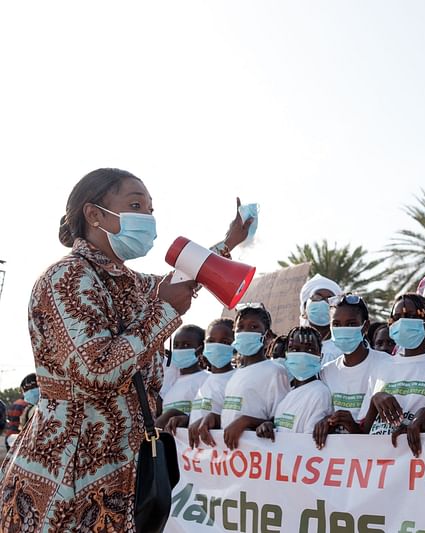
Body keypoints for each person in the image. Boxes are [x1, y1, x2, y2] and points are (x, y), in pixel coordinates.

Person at [0, 168, 250, 532]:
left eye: (150, 210)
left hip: (116, 475)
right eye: (135, 205)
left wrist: (228, 243)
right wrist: (165, 311)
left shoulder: (127, 282)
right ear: (94, 214)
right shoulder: (67, 278)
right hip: (68, 476)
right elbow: (98, 370)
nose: (148, 219)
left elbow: (185, 278)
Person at [196, 303, 290, 450]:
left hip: (259, 453)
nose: (246, 331)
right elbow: (233, 416)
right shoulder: (237, 373)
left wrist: (246, 422)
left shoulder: (275, 371)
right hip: (234, 458)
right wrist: (214, 417)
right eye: (240, 327)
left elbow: (280, 420)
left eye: (254, 327)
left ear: (266, 337)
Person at [359, 294, 425, 456]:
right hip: (378, 457)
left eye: (411, 316)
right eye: (396, 318)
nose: (402, 322)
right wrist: (375, 400)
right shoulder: (381, 366)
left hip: (416, 460)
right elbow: (366, 429)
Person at [314, 294, 391, 448]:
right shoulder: (326, 371)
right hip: (337, 457)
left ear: (366, 326)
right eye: (336, 324)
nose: (343, 330)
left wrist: (353, 426)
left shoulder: (386, 364)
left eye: (351, 324)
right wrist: (325, 422)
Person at [256, 327, 333, 438]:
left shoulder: (320, 394)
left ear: (320, 356)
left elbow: (308, 443)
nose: (302, 354)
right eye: (295, 349)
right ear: (286, 355)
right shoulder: (287, 393)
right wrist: (269, 427)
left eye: (310, 350)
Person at [167, 318, 236, 438]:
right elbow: (201, 416)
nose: (216, 346)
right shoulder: (208, 382)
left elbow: (237, 420)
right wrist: (186, 420)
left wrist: (214, 420)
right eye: (211, 341)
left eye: (224, 342)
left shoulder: (236, 379)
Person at [156, 325, 210, 428]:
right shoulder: (172, 384)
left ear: (200, 349)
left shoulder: (206, 380)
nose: (180, 349)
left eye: (186, 345)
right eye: (176, 345)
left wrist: (177, 416)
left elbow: (208, 418)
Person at [299, 274, 344, 366]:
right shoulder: (294, 344)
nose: (323, 302)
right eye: (316, 297)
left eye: (329, 299)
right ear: (305, 307)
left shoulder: (343, 347)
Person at [4, 374, 39, 450]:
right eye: (25, 391)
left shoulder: (19, 404)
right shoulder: (28, 407)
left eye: (29, 389)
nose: (27, 393)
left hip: (14, 437)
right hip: (20, 439)